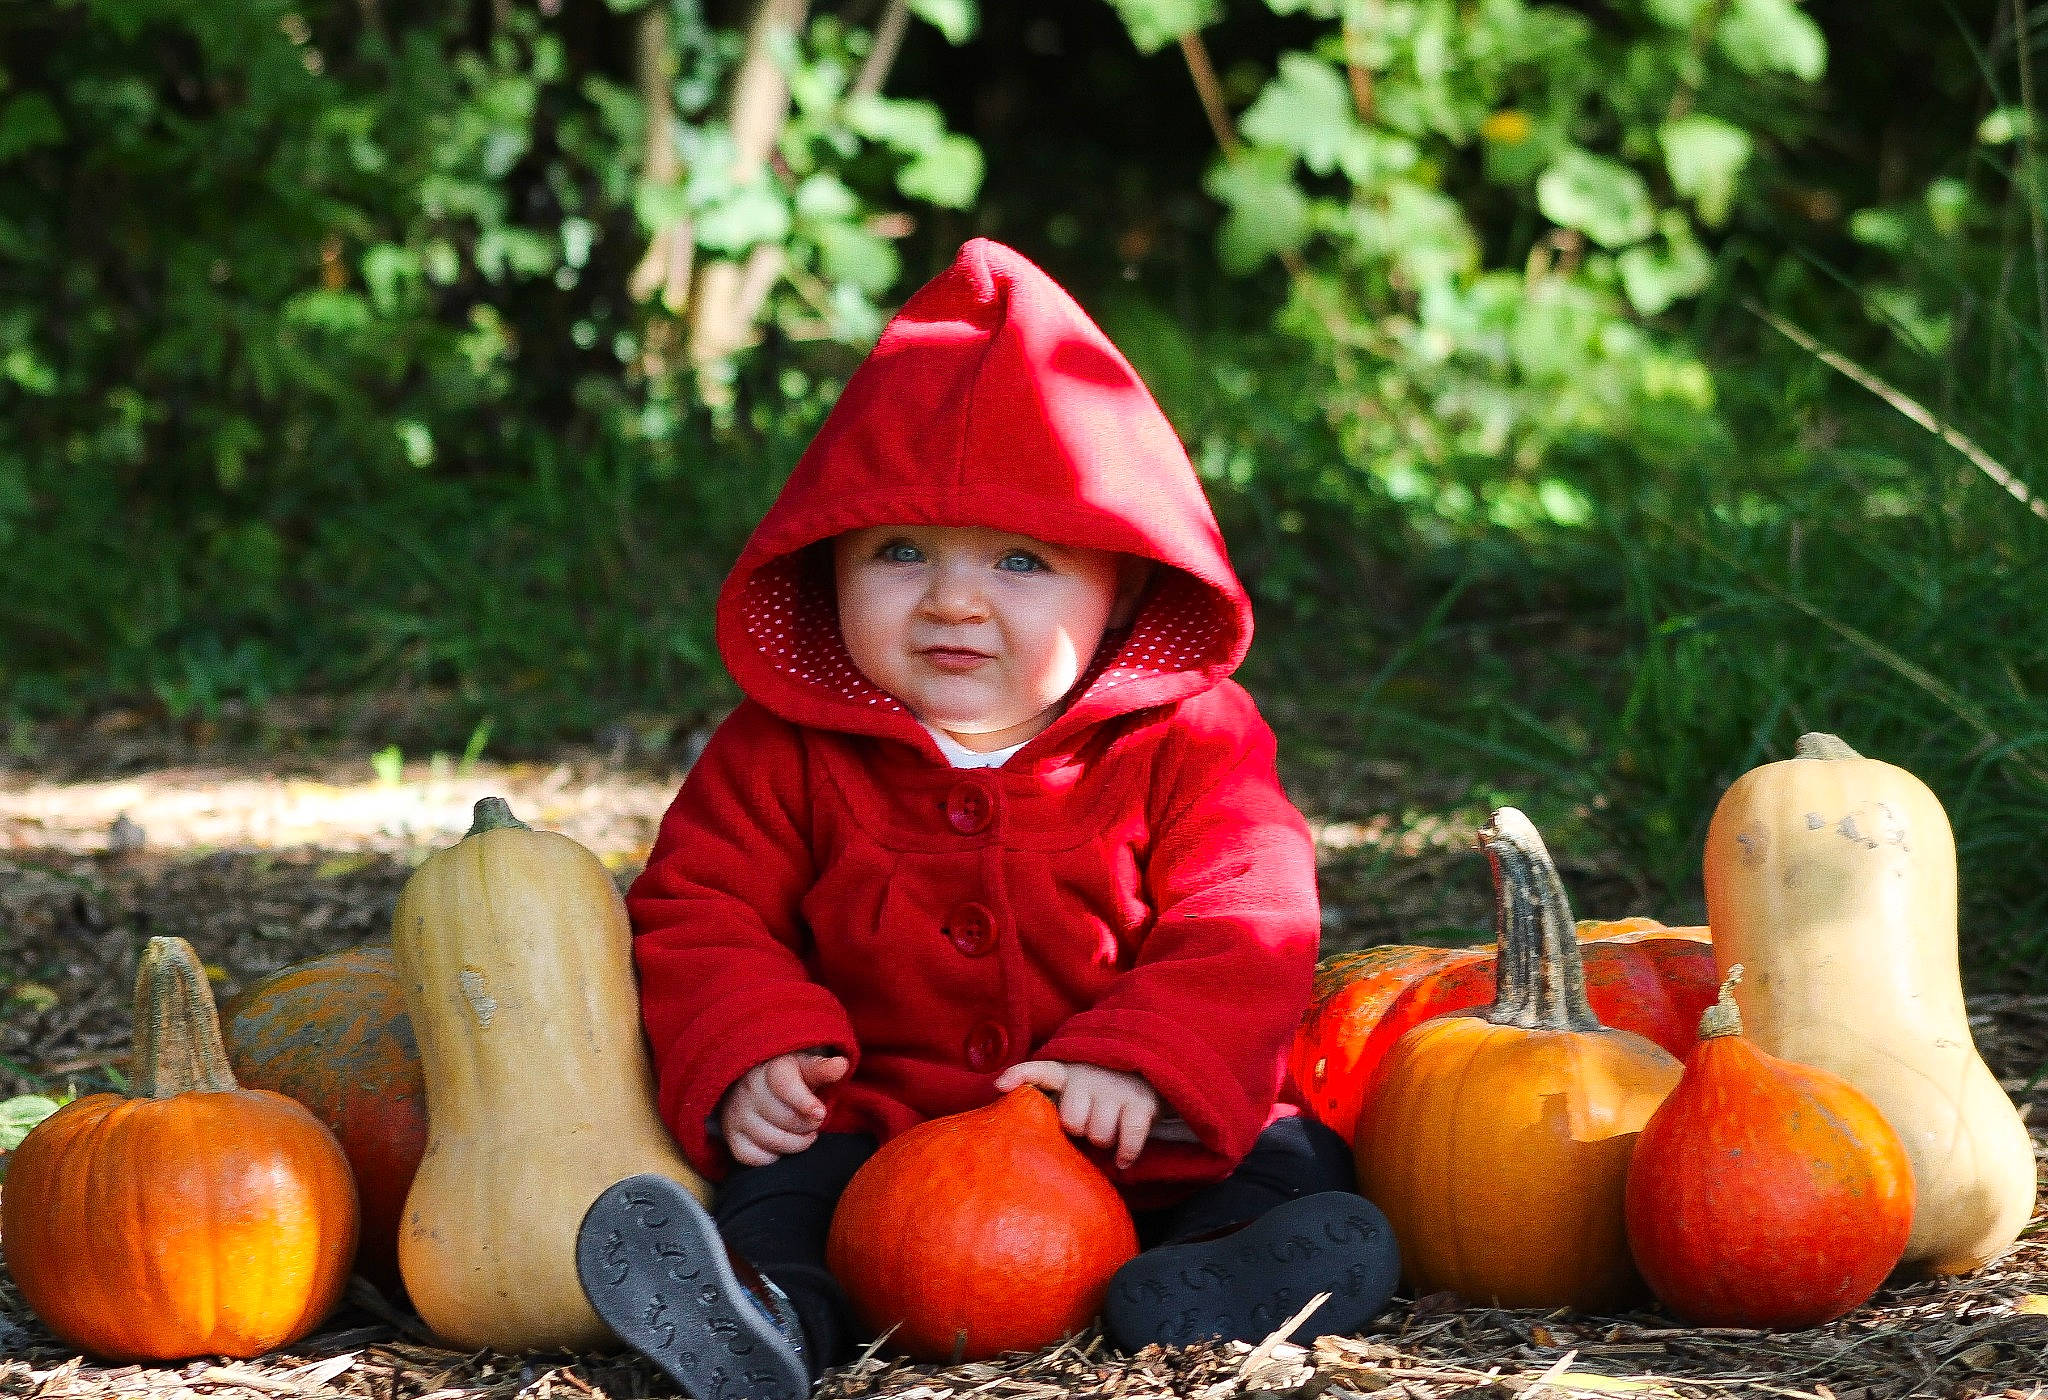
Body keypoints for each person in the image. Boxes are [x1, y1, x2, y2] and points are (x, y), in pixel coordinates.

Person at [574, 239, 1398, 1400]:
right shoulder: (784, 747)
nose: (953, 599)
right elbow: (700, 902)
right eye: (899, 551)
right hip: (878, 1130)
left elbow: (1246, 913)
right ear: (827, 568)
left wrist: (1145, 1060)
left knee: (1293, 1159)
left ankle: (1202, 1285)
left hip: (1127, 1131)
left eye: (1020, 559)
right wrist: (753, 1038)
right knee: (781, 1188)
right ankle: (767, 1319)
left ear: (1121, 580)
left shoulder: (1188, 736)